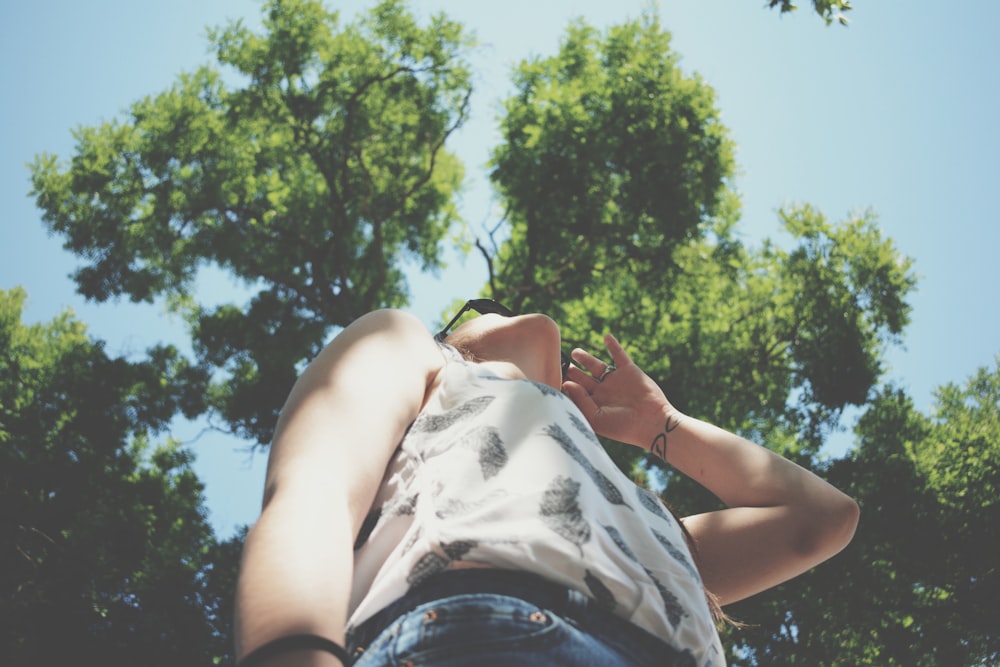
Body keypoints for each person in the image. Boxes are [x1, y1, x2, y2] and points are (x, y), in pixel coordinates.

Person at [234, 299, 860, 667]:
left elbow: (822, 520)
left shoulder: (635, 515)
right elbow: (314, 497)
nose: (515, 309)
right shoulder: (417, 351)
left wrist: (659, 426)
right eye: (481, 305)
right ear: (453, 336)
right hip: (482, 629)